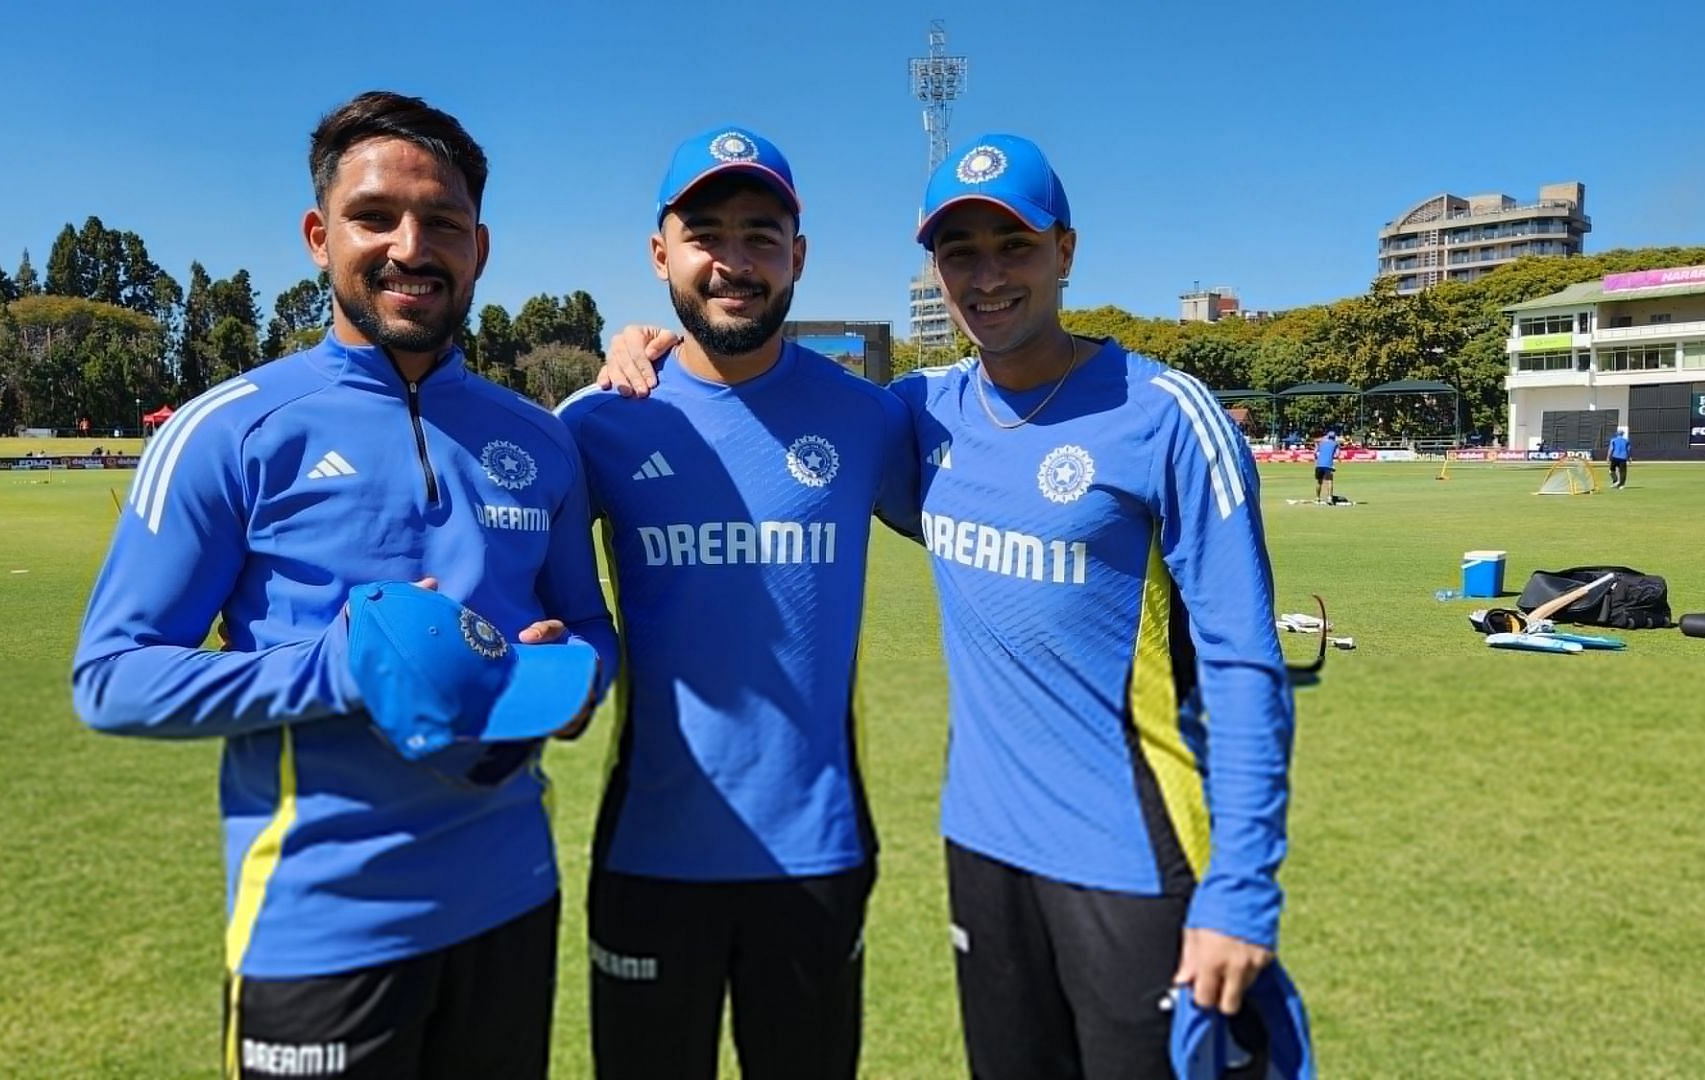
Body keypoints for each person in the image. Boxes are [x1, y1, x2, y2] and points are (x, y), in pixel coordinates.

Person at [598, 133, 1296, 1079]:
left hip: (1137, 859)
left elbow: (1246, 663)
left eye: (1014, 245)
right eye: (960, 251)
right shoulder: (922, 414)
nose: (988, 275)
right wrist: (644, 345)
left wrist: (1243, 894)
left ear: (1066, 251)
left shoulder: (1148, 414)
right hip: (981, 853)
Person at [71, 90, 618, 1078]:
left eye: (442, 221)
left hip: (512, 899)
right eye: (376, 218)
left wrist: (575, 679)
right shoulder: (229, 431)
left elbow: (586, 620)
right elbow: (110, 676)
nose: (412, 246)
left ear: (480, 247)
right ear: (321, 236)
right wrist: (335, 670)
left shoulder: (539, 441)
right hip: (320, 928)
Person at [554, 126, 914, 1079]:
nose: (734, 262)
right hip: (650, 854)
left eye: (762, 235)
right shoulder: (596, 423)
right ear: (660, 252)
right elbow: (522, 584)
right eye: (706, 233)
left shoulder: (870, 417)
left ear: (798, 256)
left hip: (817, 855)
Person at [1313, 428, 1339, 503]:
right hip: (1328, 465)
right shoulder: (1335, 444)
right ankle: (1329, 498)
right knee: (1329, 481)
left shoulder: (1321, 443)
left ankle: (1317, 498)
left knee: (1319, 482)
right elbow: (1337, 455)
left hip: (1319, 464)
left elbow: (1315, 452)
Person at [1608, 424, 1630, 489]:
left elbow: (1611, 449)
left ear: (1617, 434)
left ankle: (1615, 480)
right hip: (1623, 458)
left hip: (1615, 457)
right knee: (1623, 472)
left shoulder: (1613, 440)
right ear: (1622, 434)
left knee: (1611, 470)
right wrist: (1629, 458)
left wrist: (1608, 457)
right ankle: (1621, 485)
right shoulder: (1626, 441)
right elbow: (1628, 450)